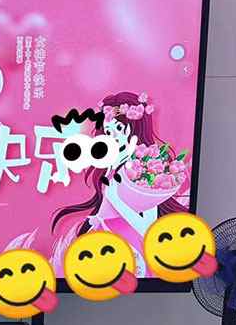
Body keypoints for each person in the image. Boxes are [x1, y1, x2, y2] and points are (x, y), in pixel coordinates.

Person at [49, 91, 190, 274]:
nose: (113, 136)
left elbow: (147, 224)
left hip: (129, 245)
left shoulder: (142, 169)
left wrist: (116, 201)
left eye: (120, 129)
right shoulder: (112, 168)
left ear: (135, 128)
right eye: (108, 131)